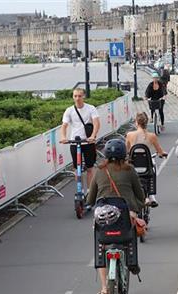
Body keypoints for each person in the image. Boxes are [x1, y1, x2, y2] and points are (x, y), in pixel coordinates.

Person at [87, 139, 145, 294]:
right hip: (125, 218)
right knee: (130, 235)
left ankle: (104, 288)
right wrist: (135, 210)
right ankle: (132, 263)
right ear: (124, 154)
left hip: (104, 220)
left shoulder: (99, 170)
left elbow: (90, 199)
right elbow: (140, 195)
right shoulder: (130, 170)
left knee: (100, 245)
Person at [60, 88, 101, 191]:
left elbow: (96, 123)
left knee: (90, 167)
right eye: (75, 96)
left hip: (88, 141)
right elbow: (64, 125)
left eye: (79, 96)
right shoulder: (69, 110)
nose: (77, 98)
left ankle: (89, 191)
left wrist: (93, 135)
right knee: (76, 168)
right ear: (73, 97)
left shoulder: (90, 108)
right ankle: (80, 190)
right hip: (75, 141)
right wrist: (63, 137)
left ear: (83, 96)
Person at [125, 112, 168, 207]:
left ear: (136, 122)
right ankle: (151, 195)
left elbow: (127, 150)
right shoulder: (152, 136)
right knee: (153, 171)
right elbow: (160, 151)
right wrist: (162, 154)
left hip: (133, 164)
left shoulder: (129, 135)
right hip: (147, 164)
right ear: (146, 122)